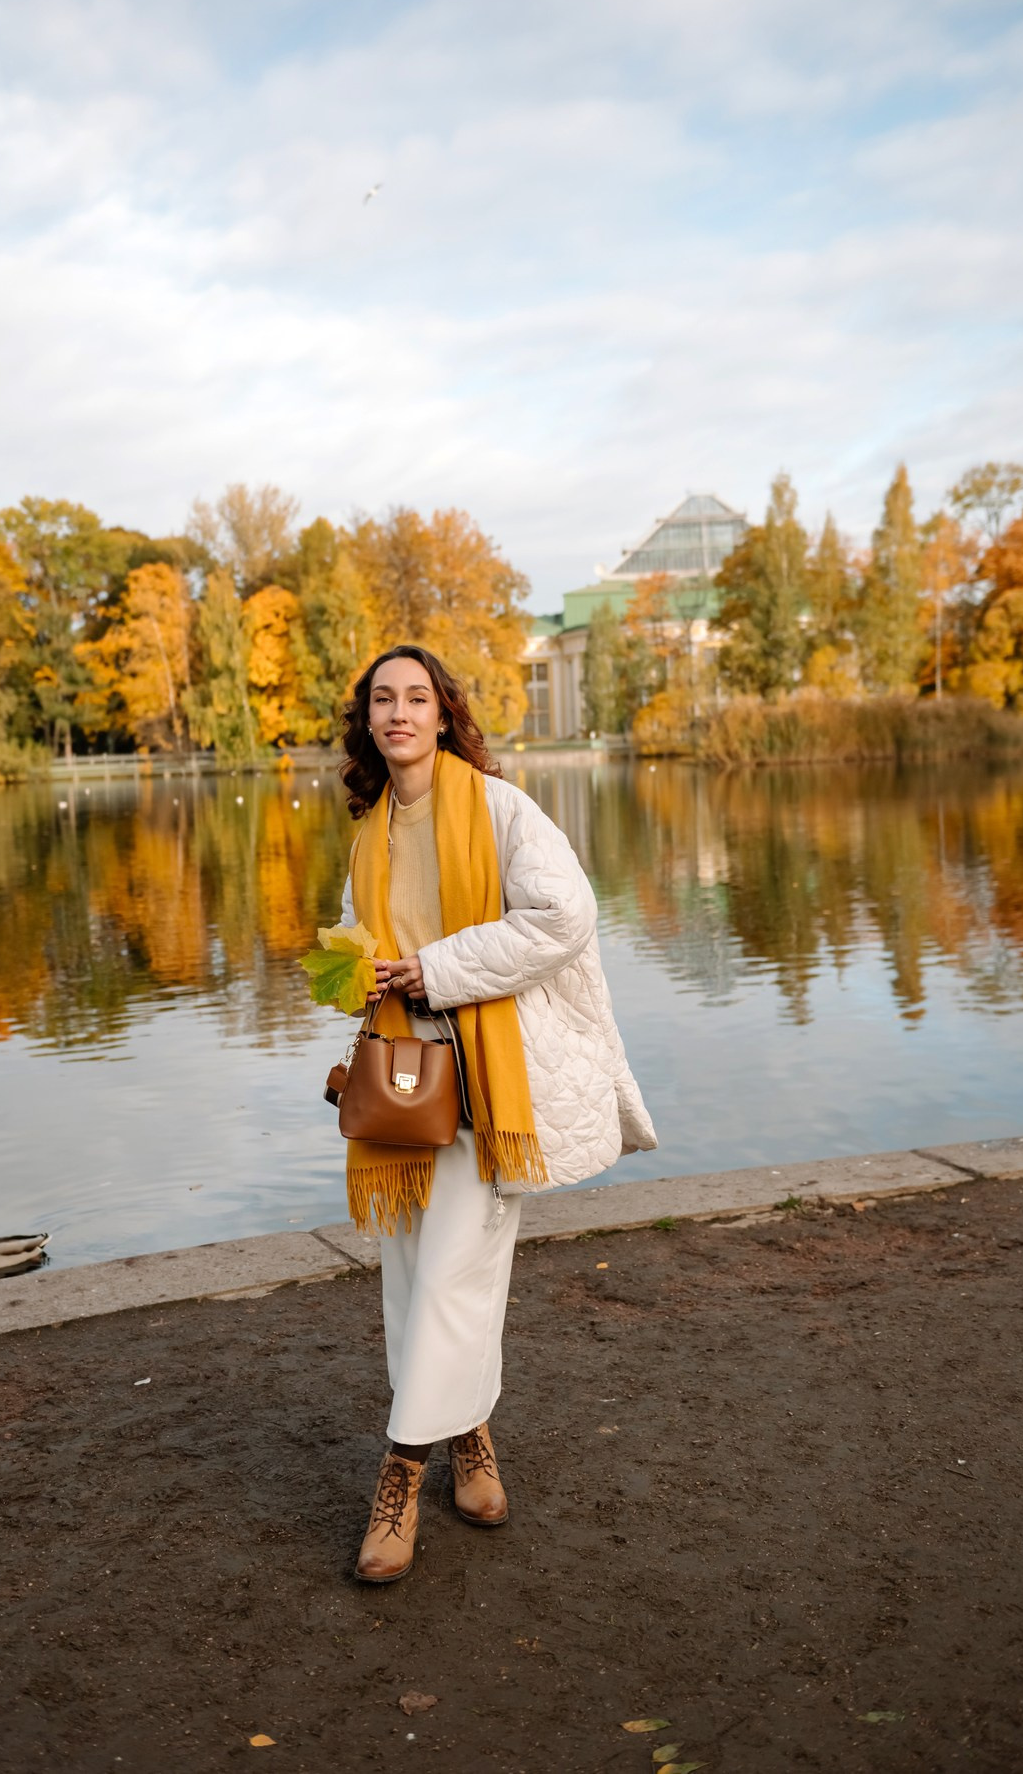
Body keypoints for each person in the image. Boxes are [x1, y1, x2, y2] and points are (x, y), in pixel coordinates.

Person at [336, 644, 656, 1583]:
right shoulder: (367, 833)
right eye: (382, 699)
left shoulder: (502, 809)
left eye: (416, 698)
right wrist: (351, 985)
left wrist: (437, 968)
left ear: (444, 714)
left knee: (448, 1277)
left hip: (490, 1074)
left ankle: (398, 1477)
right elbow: (354, 946)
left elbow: (565, 916)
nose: (399, 712)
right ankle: (470, 1433)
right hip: (403, 1077)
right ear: (369, 721)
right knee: (412, 1277)